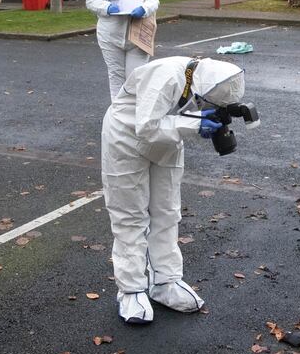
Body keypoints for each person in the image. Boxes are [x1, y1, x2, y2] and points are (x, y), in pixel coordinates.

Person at [101, 56, 246, 324]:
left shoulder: (198, 82)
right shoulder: (167, 76)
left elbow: (172, 121)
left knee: (167, 212)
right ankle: (131, 289)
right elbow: (146, 127)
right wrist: (194, 123)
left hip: (167, 141)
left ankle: (165, 282)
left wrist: (199, 121)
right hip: (125, 138)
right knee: (129, 216)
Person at [86, 0, 160, 101]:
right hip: (110, 35)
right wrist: (107, 7)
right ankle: (118, 113)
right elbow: (91, 0)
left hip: (137, 36)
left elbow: (153, 1)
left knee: (136, 76)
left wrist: (143, 9)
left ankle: (135, 112)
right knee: (116, 75)